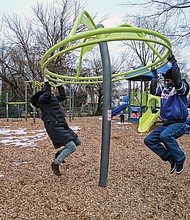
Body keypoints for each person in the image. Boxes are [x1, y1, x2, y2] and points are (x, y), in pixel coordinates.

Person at [144, 55, 189, 175]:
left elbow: (178, 81)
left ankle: (180, 159)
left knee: (165, 136)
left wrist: (174, 63)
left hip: (179, 123)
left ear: (173, 79)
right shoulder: (165, 89)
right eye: (165, 81)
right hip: (166, 123)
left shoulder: (181, 89)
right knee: (149, 140)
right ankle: (171, 158)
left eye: (168, 80)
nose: (166, 82)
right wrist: (154, 76)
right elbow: (153, 91)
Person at [31, 78, 81, 176]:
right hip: (53, 126)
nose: (51, 90)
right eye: (50, 87)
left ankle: (59, 153)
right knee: (71, 147)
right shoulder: (41, 100)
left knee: (77, 142)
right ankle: (55, 163)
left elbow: (62, 97)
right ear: (44, 89)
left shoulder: (51, 98)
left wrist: (60, 85)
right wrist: (46, 82)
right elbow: (47, 94)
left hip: (62, 124)